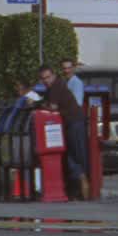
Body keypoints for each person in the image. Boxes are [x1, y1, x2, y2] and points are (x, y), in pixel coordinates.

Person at [38, 64, 89, 200]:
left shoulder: (56, 86)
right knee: (69, 153)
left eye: (48, 77)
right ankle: (78, 182)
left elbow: (52, 107)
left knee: (76, 153)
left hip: (74, 121)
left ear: (53, 75)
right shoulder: (53, 87)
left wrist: (40, 105)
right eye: (43, 78)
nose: (46, 80)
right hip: (68, 122)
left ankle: (82, 179)